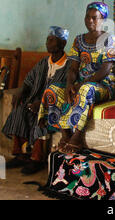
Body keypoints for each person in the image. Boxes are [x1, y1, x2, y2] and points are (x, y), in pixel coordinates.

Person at [38, 2, 115, 154]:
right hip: (80, 83)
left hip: (102, 86)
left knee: (86, 89)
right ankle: (65, 133)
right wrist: (69, 84)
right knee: (53, 89)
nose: (90, 21)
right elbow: (73, 68)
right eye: (87, 17)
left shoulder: (110, 39)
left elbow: (106, 69)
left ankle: (77, 136)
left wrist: (83, 83)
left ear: (103, 20)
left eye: (95, 18)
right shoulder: (79, 40)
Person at [2, 26, 70, 174]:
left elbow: (64, 91)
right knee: (20, 111)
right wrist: (21, 92)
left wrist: (42, 104)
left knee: (42, 116)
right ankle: (21, 155)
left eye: (52, 40)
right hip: (37, 101)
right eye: (47, 39)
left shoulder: (69, 65)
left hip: (55, 106)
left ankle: (36, 159)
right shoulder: (44, 62)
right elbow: (29, 81)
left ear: (63, 43)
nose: (47, 42)